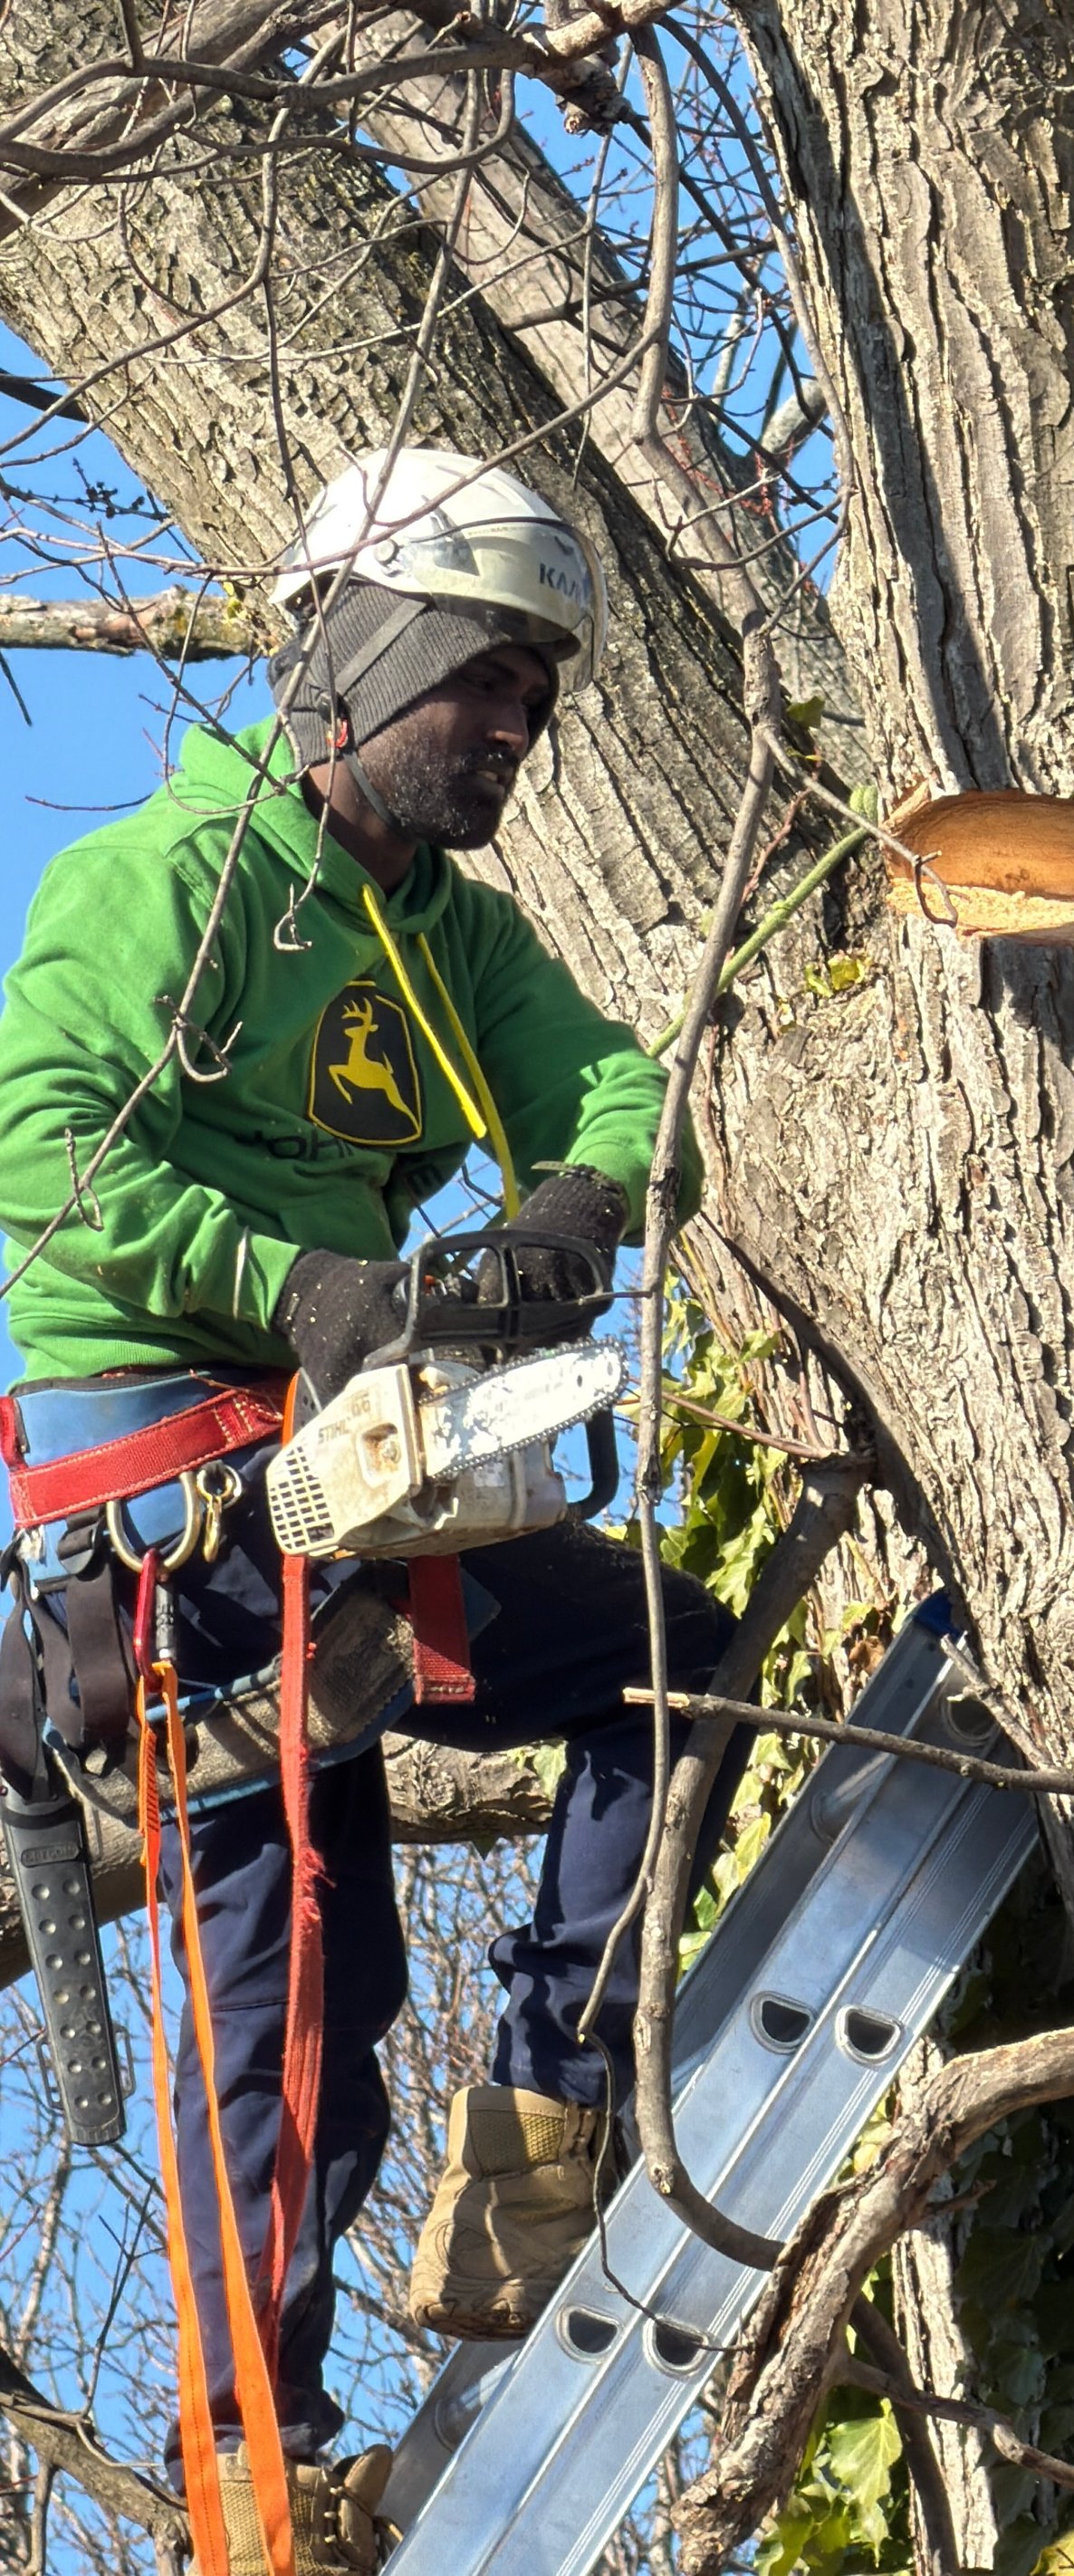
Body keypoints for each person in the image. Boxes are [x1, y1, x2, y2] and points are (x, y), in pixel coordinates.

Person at [0, 449, 744, 2573]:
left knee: (668, 1661)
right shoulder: (172, 882)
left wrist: (567, 1214)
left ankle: (535, 2142)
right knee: (295, 1964)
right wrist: (299, 1288)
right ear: (352, 658)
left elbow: (608, 1082)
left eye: (537, 698)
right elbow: (43, 1149)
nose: (513, 730)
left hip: (350, 1474)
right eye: (482, 684)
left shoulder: (448, 939)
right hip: (181, 1501)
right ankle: (261, 2468)